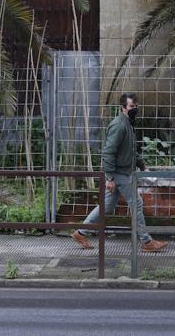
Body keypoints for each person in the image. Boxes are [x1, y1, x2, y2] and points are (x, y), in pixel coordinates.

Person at [72, 92, 167, 252]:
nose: (134, 109)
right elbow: (108, 152)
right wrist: (109, 177)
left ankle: (80, 232)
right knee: (136, 204)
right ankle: (147, 242)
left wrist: (142, 165)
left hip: (120, 172)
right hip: (119, 174)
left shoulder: (128, 124)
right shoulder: (119, 125)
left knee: (107, 206)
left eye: (136, 106)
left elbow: (130, 150)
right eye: (131, 106)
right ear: (123, 108)